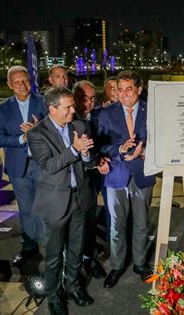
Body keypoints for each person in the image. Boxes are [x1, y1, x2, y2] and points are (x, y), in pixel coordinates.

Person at [27, 86, 96, 314]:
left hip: (80, 198)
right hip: (55, 204)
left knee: (76, 250)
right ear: (52, 108)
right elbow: (49, 165)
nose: (72, 111)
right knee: (55, 256)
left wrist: (86, 154)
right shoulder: (37, 133)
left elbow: (87, 163)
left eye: (72, 106)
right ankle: (54, 297)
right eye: (67, 107)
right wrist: (75, 149)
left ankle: (73, 286)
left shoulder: (78, 125)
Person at [98, 70, 155, 288]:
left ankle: (140, 264)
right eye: (119, 90)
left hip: (142, 173)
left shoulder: (152, 111)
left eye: (128, 89)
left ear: (139, 90)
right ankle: (117, 266)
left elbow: (162, 140)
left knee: (141, 224)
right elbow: (99, 144)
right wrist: (119, 149)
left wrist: (146, 151)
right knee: (116, 226)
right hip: (116, 176)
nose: (123, 94)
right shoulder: (106, 113)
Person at [0, 66, 48, 266]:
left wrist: (38, 130)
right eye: (16, 82)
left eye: (25, 80)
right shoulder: (2, 108)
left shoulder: (44, 101)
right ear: (9, 85)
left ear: (30, 81)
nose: (22, 85)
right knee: (26, 208)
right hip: (18, 166)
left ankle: (48, 246)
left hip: (42, 163)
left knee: (44, 207)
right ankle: (29, 246)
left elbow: (56, 131)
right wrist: (22, 138)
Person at [72, 80, 108, 279]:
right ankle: (78, 264)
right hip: (76, 182)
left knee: (90, 221)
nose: (90, 102)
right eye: (85, 98)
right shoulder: (71, 121)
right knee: (78, 225)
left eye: (93, 98)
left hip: (92, 180)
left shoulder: (95, 116)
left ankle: (89, 257)